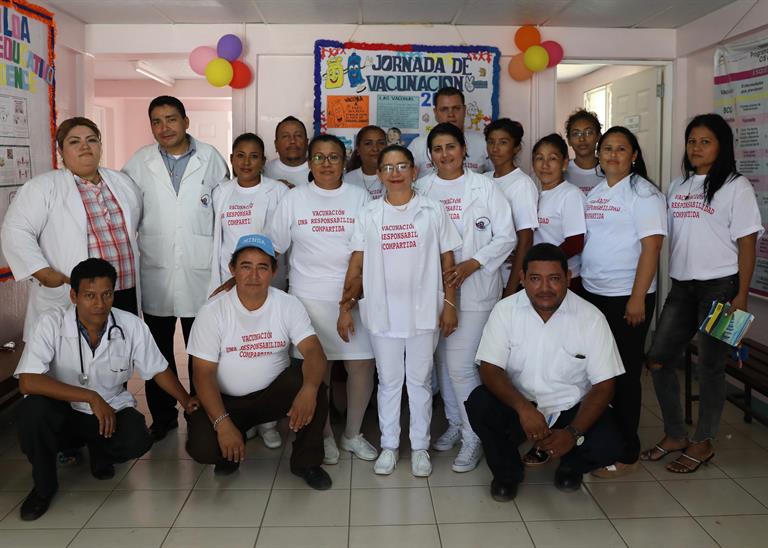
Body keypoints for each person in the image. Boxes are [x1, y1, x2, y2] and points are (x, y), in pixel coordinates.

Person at [13, 258, 197, 521]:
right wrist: (90, 396)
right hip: (63, 412)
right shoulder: (50, 324)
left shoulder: (130, 325)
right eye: (89, 295)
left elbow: (157, 369)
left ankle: (100, 452)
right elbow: (28, 381)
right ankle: (43, 487)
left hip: (108, 412)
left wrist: (186, 399)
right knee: (32, 411)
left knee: (137, 438)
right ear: (74, 296)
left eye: (106, 294)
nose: (99, 304)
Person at [642, 113, 763, 473]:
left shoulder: (735, 186)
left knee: (711, 367)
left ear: (721, 146)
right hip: (682, 287)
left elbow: (747, 244)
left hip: (721, 289)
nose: (696, 147)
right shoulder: (678, 185)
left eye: (705, 141)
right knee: (659, 359)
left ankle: (704, 441)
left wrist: (741, 295)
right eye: (692, 140)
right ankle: (676, 434)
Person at [338, 145, 461, 476]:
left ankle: (419, 447)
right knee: (390, 382)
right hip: (382, 312)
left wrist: (449, 304)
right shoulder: (368, 214)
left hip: (424, 312)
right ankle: (390, 446)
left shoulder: (433, 211)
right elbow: (356, 264)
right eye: (388, 168)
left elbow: (448, 261)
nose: (395, 173)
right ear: (379, 175)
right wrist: (345, 307)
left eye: (401, 166)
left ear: (414, 171)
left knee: (419, 381)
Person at [466, 243, 624, 500]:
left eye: (554, 279)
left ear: (568, 278)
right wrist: (524, 409)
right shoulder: (505, 311)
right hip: (521, 406)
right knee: (480, 404)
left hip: (570, 408)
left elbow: (605, 385)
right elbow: (490, 369)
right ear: (522, 279)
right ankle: (507, 473)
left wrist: (573, 433)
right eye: (535, 279)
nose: (545, 288)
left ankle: (572, 464)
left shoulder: (591, 318)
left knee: (611, 443)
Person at [185, 234, 332, 489]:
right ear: (233, 270)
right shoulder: (212, 311)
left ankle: (307, 463)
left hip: (271, 395)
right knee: (202, 447)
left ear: (274, 271)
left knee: (313, 385)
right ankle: (229, 449)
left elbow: (315, 353)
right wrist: (223, 424)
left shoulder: (287, 304)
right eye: (246, 266)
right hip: (227, 402)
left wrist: (308, 390)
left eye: (262, 267)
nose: (253, 275)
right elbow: (202, 375)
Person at [123, 95, 229, 442]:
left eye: (171, 119)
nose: (164, 127)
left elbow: (226, 214)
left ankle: (210, 414)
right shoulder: (139, 163)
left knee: (204, 353)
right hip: (157, 271)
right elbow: (126, 214)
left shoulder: (211, 158)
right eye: (156, 121)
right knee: (158, 353)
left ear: (186, 120)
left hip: (201, 274)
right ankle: (164, 416)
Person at [268, 134, 377, 465]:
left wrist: (351, 298)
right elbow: (273, 248)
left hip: (354, 294)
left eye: (333, 157)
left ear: (344, 161)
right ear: (309, 162)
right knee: (320, 369)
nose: (326, 164)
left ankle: (352, 435)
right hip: (308, 297)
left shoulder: (360, 198)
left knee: (361, 364)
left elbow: (368, 250)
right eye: (319, 157)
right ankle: (325, 435)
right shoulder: (294, 199)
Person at [415, 122, 515, 472]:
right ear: (429, 156)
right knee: (442, 363)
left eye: (451, 147)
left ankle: (475, 436)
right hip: (431, 292)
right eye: (437, 149)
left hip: (475, 293)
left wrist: (474, 263)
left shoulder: (485, 188)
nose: (445, 154)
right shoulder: (421, 189)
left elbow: (506, 238)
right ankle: (457, 424)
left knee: (460, 367)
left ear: (463, 150)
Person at [1, 117, 141, 340]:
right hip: (74, 293)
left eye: (92, 140)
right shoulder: (43, 187)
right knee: (72, 360)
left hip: (123, 291)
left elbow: (137, 227)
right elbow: (16, 230)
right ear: (61, 150)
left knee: (117, 360)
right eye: (74, 142)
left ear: (100, 146)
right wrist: (43, 271)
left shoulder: (122, 182)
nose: (85, 146)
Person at [581, 126, 667, 478]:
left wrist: (637, 299)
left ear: (634, 155)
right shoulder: (598, 191)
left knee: (626, 375)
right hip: (593, 293)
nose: (613, 154)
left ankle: (628, 450)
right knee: (598, 373)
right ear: (599, 156)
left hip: (626, 299)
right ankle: (601, 439)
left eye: (621, 149)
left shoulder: (644, 194)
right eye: (607, 149)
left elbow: (652, 247)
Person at [209, 132, 288, 449]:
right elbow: (219, 240)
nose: (246, 162)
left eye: (254, 156)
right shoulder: (221, 192)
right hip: (229, 284)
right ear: (231, 159)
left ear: (263, 161)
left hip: (264, 282)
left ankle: (268, 421)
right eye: (239, 155)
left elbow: (279, 241)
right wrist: (229, 280)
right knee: (236, 351)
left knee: (268, 349)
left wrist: (256, 274)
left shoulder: (278, 191)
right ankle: (244, 418)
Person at [483, 118, 539, 293]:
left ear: (516, 147)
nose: (495, 148)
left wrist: (511, 289)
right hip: (484, 276)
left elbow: (526, 238)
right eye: (491, 142)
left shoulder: (522, 184)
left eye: (503, 142)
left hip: (507, 279)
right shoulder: (484, 179)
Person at [531, 133, 586, 292]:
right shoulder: (536, 194)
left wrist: (539, 261)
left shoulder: (570, 195)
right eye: (539, 158)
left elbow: (575, 243)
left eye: (552, 158)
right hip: (540, 276)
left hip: (565, 279)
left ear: (564, 163)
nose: (545, 165)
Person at [408, 87, 490, 177]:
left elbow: (499, 177)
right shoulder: (418, 145)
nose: (451, 114)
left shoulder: (483, 143)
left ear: (464, 110)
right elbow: (406, 178)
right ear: (435, 112)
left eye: (456, 108)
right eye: (444, 109)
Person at [263, 116, 310, 188]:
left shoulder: (320, 170)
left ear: (307, 142)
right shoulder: (263, 171)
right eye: (285, 136)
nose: (292, 141)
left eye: (298, 135)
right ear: (276, 144)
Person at [565, 109, 603, 195]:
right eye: (576, 134)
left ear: (598, 137)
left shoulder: (609, 169)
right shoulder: (562, 171)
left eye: (588, 132)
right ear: (569, 140)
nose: (582, 139)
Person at [345, 125, 387, 199]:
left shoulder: (396, 176)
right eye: (368, 143)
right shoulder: (347, 180)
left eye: (381, 143)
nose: (375, 148)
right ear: (358, 150)